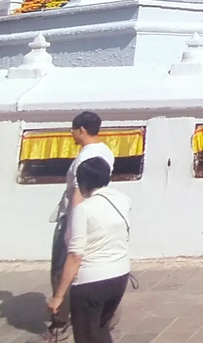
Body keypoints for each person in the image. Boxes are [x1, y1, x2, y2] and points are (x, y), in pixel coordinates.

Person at [44, 112, 117, 342]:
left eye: (73, 129)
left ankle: (60, 321)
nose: (71, 133)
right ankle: (103, 317)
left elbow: (79, 191)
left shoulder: (87, 155)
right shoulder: (105, 150)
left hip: (78, 216)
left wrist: (72, 227)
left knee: (62, 268)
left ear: (82, 130)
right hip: (98, 215)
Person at [46, 157, 131, 343]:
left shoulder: (83, 210)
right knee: (100, 329)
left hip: (91, 282)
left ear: (83, 182)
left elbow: (75, 256)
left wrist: (58, 296)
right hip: (119, 276)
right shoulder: (122, 200)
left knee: (86, 336)